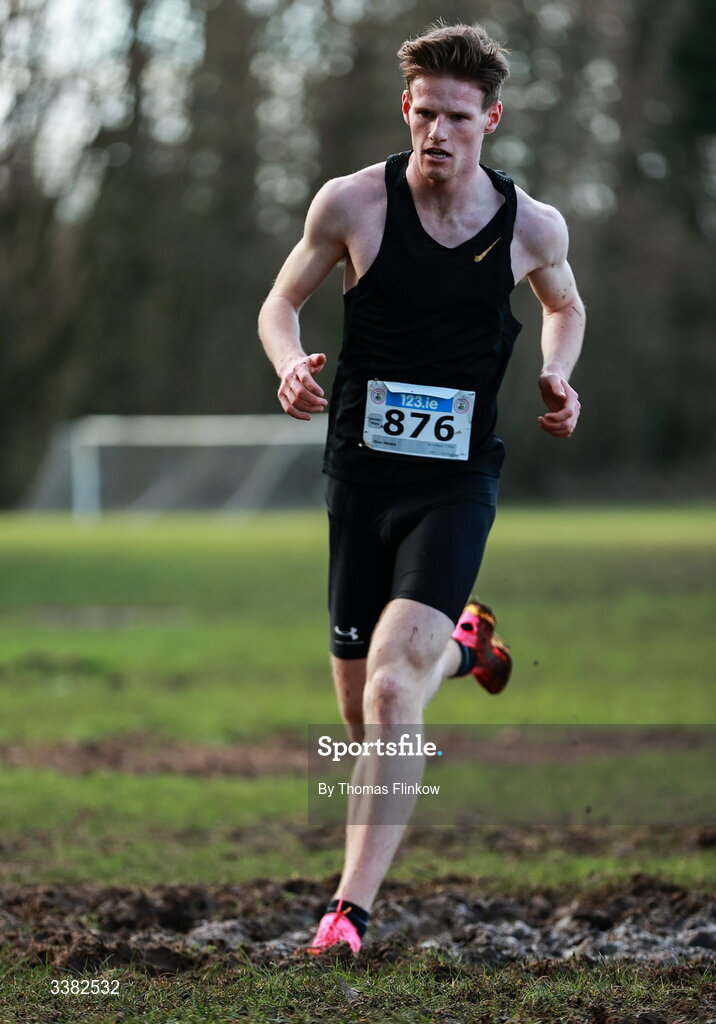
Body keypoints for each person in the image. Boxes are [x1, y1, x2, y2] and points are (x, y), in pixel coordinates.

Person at [258, 21, 584, 954]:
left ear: (491, 120)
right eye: (424, 113)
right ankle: (465, 641)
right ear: (406, 109)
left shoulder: (531, 225)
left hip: (455, 485)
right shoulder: (352, 204)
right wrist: (287, 366)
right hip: (359, 483)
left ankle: (347, 914)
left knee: (394, 698)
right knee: (363, 708)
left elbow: (566, 304)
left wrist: (560, 374)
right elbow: (281, 303)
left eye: (457, 117)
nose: (437, 132)